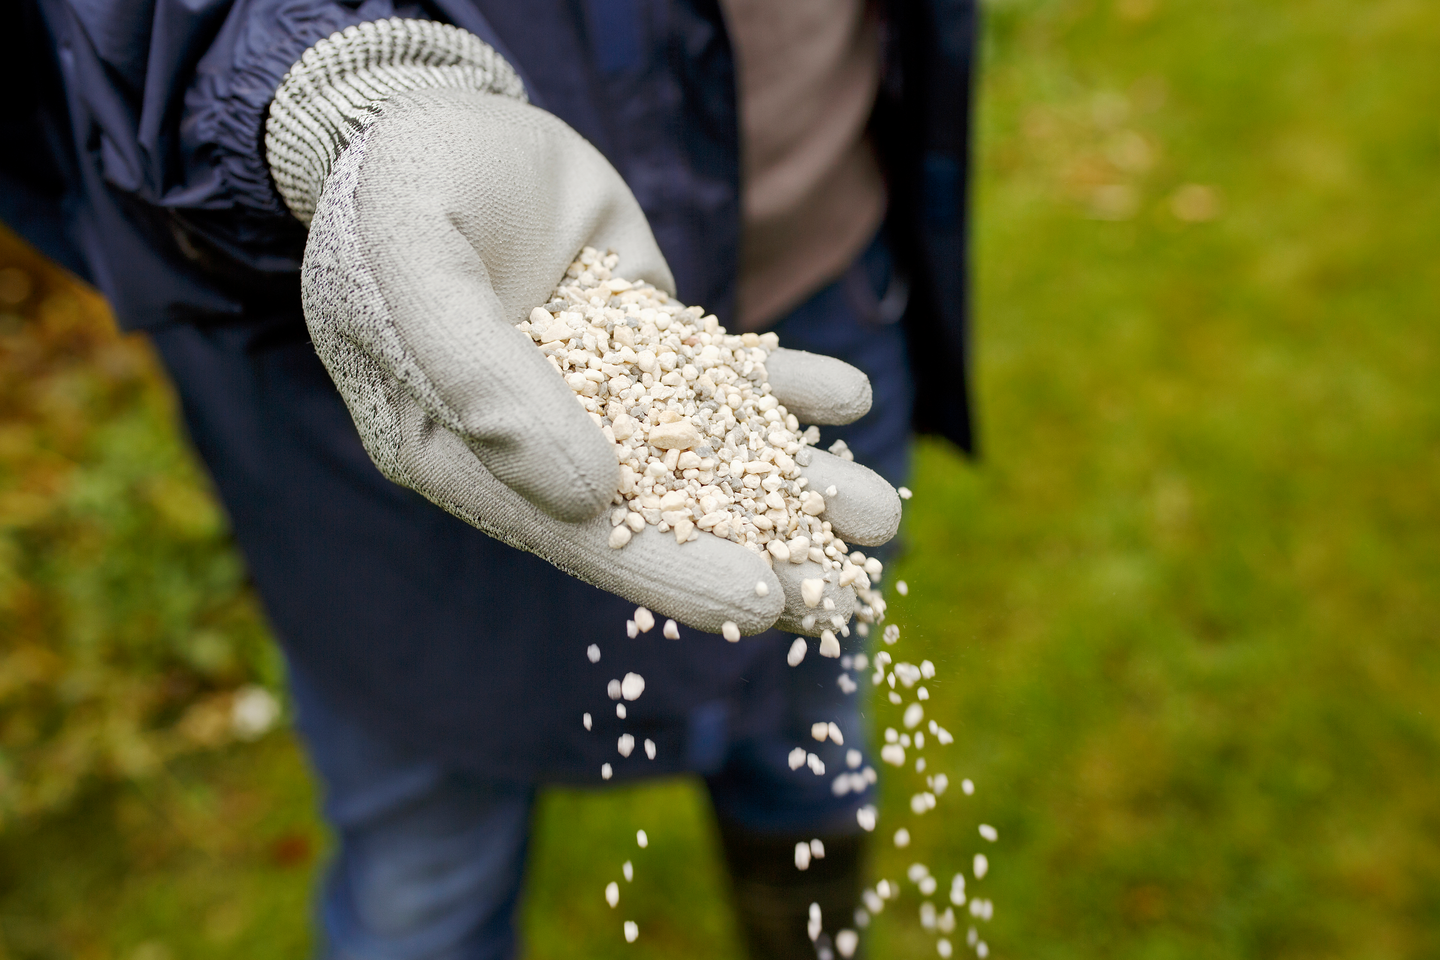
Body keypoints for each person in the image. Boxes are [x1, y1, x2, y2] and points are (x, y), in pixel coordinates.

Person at [3, 1, 977, 957]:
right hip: (384, 349)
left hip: (822, 236)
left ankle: (811, 933)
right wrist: (348, 102)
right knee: (424, 860)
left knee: (806, 704)